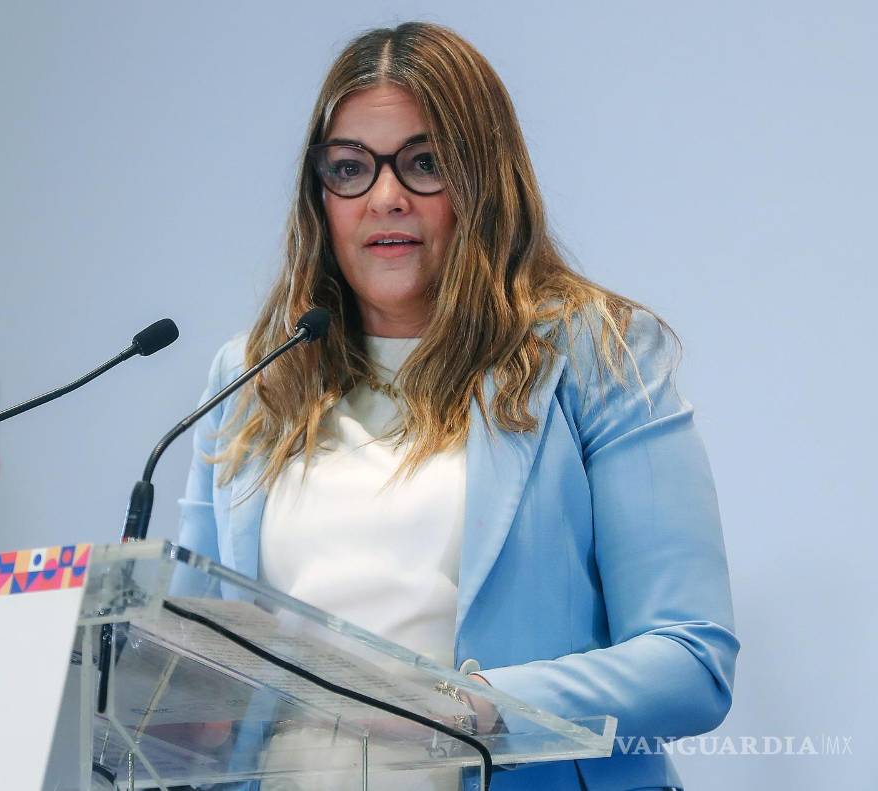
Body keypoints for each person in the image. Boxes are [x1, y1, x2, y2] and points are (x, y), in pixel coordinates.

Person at [176, 21, 737, 791]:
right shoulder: (252, 375)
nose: (385, 197)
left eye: (424, 163)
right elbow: (184, 664)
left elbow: (690, 659)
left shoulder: (595, 354)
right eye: (349, 168)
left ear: (484, 178)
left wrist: (476, 708)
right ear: (320, 195)